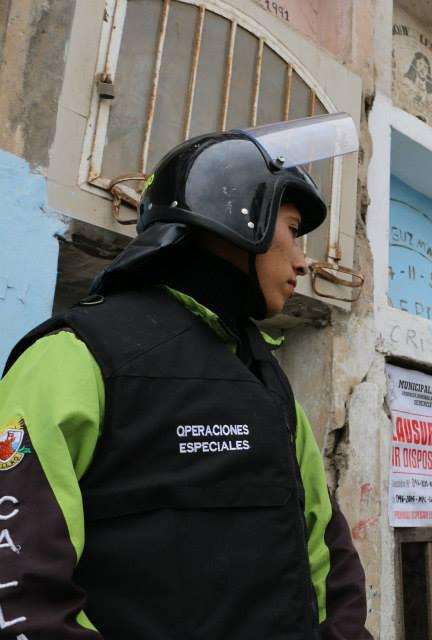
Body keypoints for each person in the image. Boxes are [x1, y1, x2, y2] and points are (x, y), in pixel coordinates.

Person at [0, 114, 371, 639]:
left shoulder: (267, 379)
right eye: (292, 231)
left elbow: (330, 561)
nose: (305, 263)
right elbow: (18, 591)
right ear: (243, 220)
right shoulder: (76, 355)